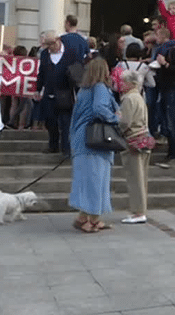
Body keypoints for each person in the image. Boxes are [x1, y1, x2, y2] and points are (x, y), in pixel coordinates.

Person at [70, 57, 120, 233]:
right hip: (95, 140)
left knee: (88, 181)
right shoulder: (100, 87)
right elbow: (100, 108)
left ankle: (85, 217)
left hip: (82, 138)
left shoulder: (84, 90)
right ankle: (90, 221)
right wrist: (116, 118)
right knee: (97, 181)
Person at [36, 30, 77, 155]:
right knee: (50, 121)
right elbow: (41, 73)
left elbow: (77, 73)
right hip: (49, 93)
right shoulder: (44, 54)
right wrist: (38, 89)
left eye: (51, 44)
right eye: (46, 45)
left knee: (66, 122)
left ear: (58, 40)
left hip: (65, 93)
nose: (49, 47)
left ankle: (66, 148)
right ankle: (53, 145)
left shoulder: (70, 53)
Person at [118, 70, 151, 224]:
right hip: (143, 138)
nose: (120, 84)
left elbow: (125, 122)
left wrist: (117, 128)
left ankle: (138, 211)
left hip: (133, 140)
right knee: (141, 177)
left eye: (123, 81)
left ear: (131, 83)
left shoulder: (128, 99)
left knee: (135, 178)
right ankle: (140, 210)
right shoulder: (139, 97)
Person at [155, 39, 175, 169]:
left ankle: (174, 156)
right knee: (168, 123)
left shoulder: (174, 50)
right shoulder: (164, 50)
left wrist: (165, 64)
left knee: (173, 124)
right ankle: (170, 154)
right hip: (166, 90)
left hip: (173, 91)